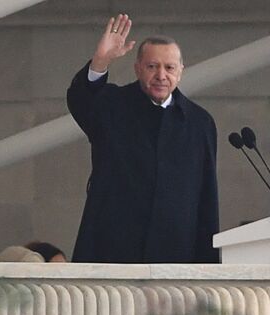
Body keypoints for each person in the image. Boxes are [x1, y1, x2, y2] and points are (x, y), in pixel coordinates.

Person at [67, 14, 219, 263]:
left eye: (169, 68)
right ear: (137, 69)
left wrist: (208, 266)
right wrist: (100, 61)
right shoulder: (112, 106)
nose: (161, 75)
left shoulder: (199, 123)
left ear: (181, 72)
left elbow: (207, 198)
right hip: (114, 248)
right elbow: (80, 100)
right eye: (152, 66)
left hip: (177, 254)